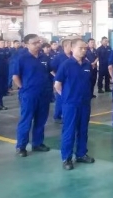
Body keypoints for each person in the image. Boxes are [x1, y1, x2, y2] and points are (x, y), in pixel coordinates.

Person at [54, 39, 95, 170]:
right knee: (69, 130)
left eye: (85, 48)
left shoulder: (87, 64)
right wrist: (67, 97)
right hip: (71, 104)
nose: (83, 50)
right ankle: (66, 158)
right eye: (80, 48)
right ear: (72, 48)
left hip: (84, 103)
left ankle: (81, 154)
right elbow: (57, 85)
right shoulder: (66, 65)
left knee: (83, 129)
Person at [13, 34, 52, 157]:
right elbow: (15, 76)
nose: (38, 45)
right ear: (26, 45)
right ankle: (21, 146)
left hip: (43, 94)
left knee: (41, 120)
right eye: (34, 43)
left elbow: (50, 71)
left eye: (38, 42)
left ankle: (37, 143)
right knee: (26, 120)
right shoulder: (21, 58)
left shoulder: (44, 57)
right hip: (29, 95)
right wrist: (24, 88)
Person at [51, 39, 72, 124]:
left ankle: (66, 115)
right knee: (60, 98)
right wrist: (57, 76)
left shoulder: (73, 56)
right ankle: (58, 115)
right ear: (65, 46)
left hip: (71, 81)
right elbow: (51, 68)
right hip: (61, 82)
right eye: (71, 45)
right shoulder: (59, 57)